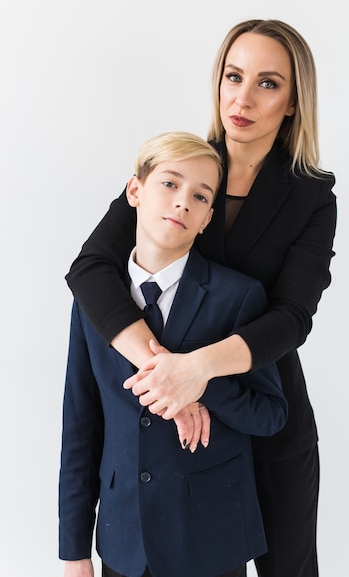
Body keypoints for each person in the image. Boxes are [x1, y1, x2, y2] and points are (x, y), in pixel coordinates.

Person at [66, 19, 337, 577]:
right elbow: (91, 270)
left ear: (292, 102)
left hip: (264, 413)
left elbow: (291, 318)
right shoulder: (182, 169)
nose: (243, 97)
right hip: (172, 428)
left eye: (268, 83)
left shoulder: (312, 195)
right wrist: (168, 377)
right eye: (233, 76)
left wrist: (198, 372)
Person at [59, 131, 288, 577]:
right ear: (135, 191)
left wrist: (201, 386)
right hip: (123, 539)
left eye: (201, 196)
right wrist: (74, 550)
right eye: (170, 183)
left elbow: (271, 415)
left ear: (206, 220)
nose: (183, 201)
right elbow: (80, 424)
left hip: (212, 538)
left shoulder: (237, 297)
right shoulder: (92, 299)